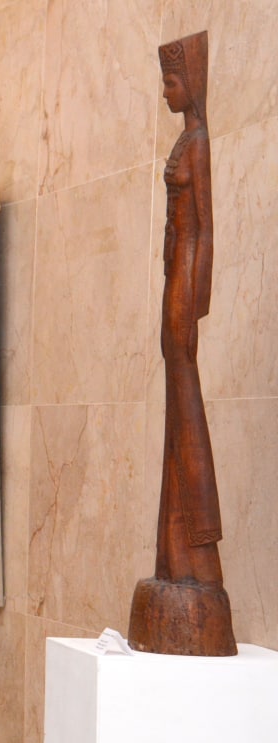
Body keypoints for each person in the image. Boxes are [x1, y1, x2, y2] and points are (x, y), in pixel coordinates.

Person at [154, 31, 222, 586]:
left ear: (191, 83)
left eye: (172, 81)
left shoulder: (198, 143)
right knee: (175, 405)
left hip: (185, 281)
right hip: (172, 275)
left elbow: (205, 225)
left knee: (185, 396)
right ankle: (175, 545)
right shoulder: (186, 139)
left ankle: (199, 535)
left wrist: (194, 301)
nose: (165, 92)